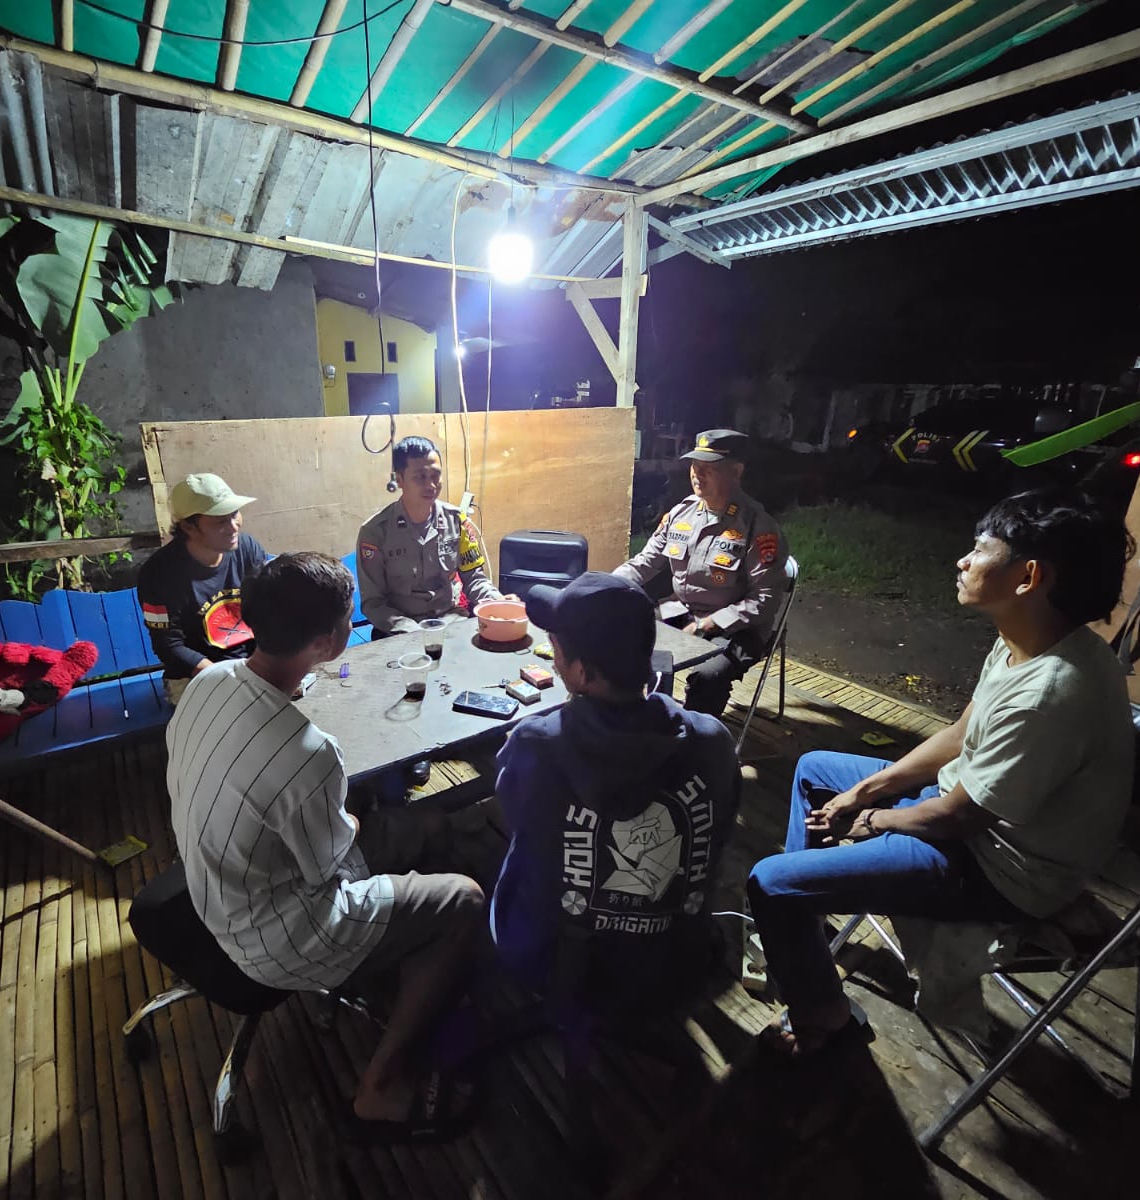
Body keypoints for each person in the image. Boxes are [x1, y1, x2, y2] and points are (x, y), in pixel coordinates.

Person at [746, 489, 1135, 1060]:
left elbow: (959, 817)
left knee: (770, 883)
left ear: (1028, 577)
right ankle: (809, 926)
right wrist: (863, 791)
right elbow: (959, 734)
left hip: (999, 868)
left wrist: (872, 820)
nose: (962, 560)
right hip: (963, 813)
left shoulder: (1052, 691)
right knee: (815, 770)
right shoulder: (1023, 643)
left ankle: (823, 1015)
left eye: (980, 550)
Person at [167, 552, 485, 1137]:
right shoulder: (308, 754)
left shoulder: (206, 682)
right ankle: (380, 1088)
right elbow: (328, 867)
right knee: (463, 899)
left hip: (209, 887)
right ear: (328, 642)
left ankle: (405, 961)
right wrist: (354, 817)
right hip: (279, 934)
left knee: (412, 825)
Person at [491, 572, 741, 1007]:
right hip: (674, 961)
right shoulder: (714, 742)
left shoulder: (535, 744)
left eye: (556, 647)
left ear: (582, 671)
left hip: (557, 967)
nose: (553, 657)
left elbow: (515, 820)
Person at [614, 429, 787, 717]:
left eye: (710, 468)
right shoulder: (681, 514)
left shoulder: (758, 526)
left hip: (737, 629)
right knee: (619, 637)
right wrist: (605, 586)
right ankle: (642, 719)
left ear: (736, 472)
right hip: (681, 611)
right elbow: (644, 563)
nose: (698, 474)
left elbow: (765, 600)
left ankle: (695, 737)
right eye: (695, 465)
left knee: (708, 677)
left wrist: (708, 624)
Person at [139, 472, 267, 705]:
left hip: (252, 661)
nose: (233, 527)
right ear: (188, 526)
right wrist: (226, 679)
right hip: (195, 674)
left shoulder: (248, 549)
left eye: (234, 514)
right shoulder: (158, 574)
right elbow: (168, 645)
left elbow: (269, 608)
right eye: (220, 521)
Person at [356, 436, 502, 637]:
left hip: (450, 622)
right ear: (399, 480)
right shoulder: (375, 531)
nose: (431, 485)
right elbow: (373, 603)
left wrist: (498, 602)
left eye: (435, 475)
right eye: (420, 477)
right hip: (399, 631)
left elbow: (474, 578)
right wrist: (414, 632)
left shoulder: (456, 521)